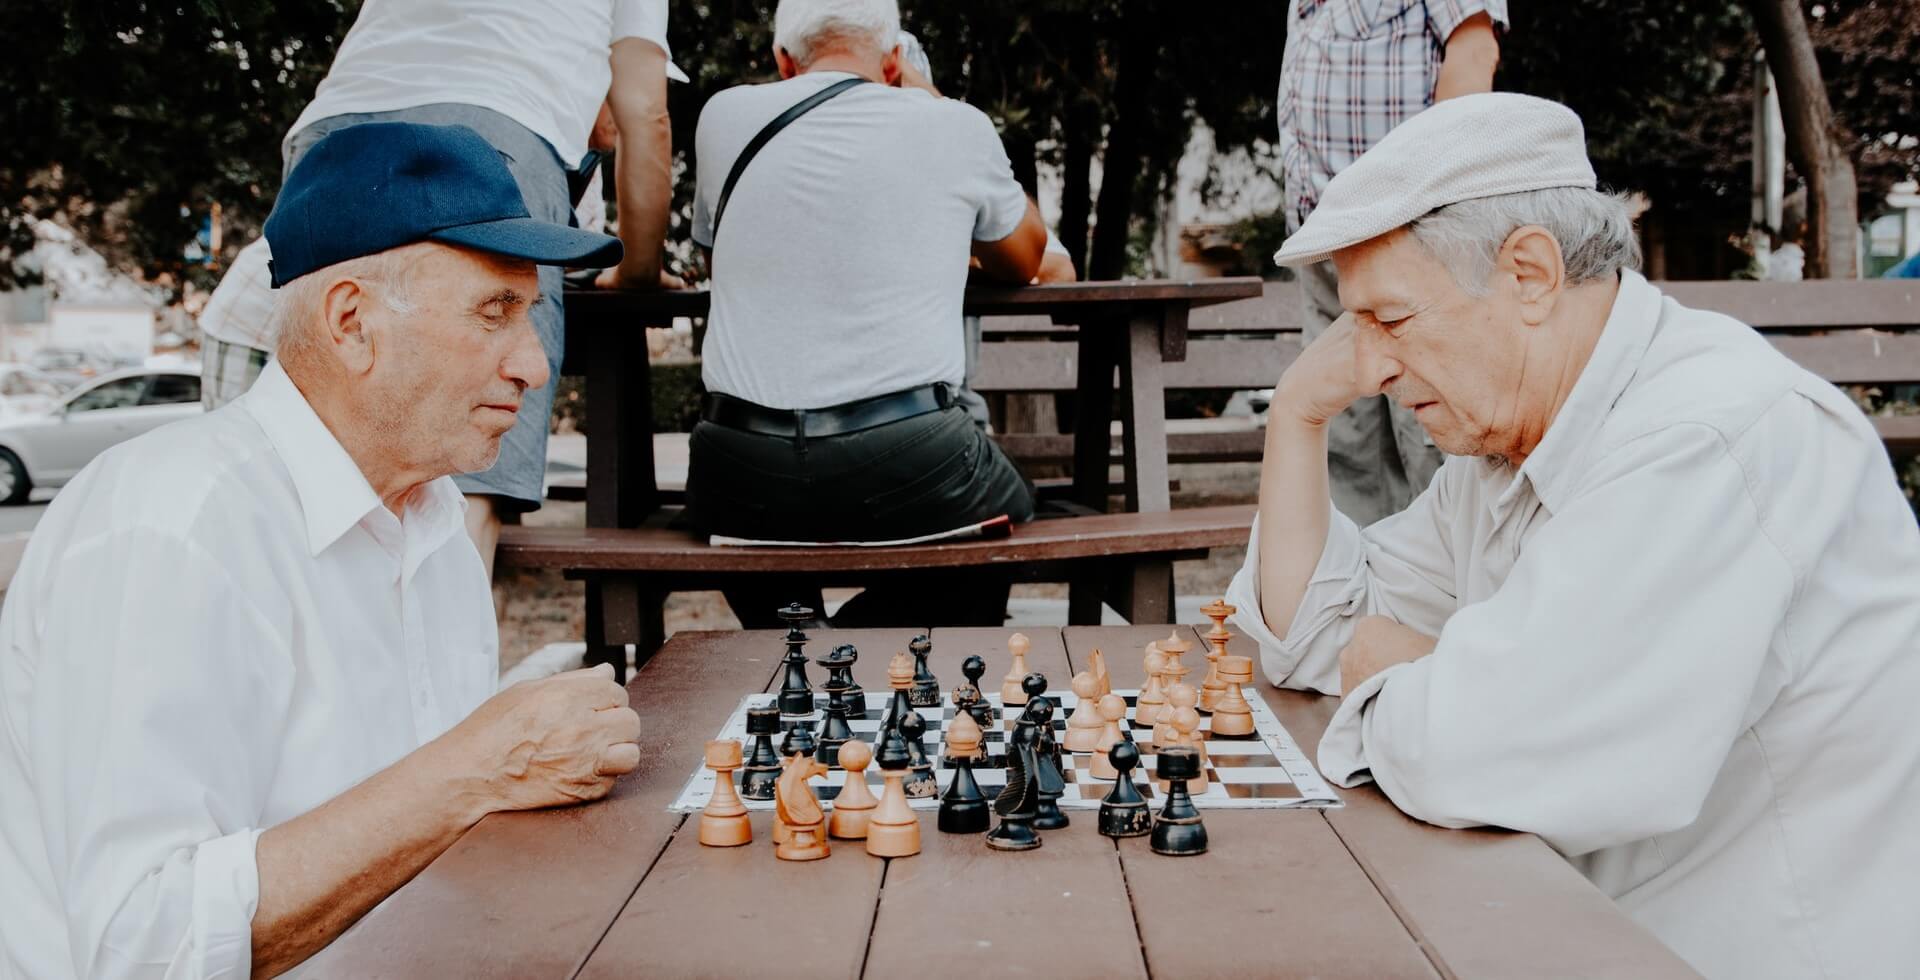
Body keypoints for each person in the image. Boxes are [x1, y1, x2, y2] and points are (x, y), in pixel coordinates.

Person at [1226, 93, 1920, 979]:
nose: (1373, 367)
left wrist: (1411, 671)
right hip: (1573, 922)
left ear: (1530, 275)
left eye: (1391, 320)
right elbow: (1310, 636)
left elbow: (1478, 756)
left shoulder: (1706, 439)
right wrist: (1296, 414)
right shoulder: (1510, 447)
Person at [0, 123, 643, 979]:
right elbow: (143, 945)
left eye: (531, 316)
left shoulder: (435, 520)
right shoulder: (172, 525)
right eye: (495, 311)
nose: (533, 363)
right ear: (352, 322)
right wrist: (477, 770)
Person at [279, 0, 685, 577]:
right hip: (493, 128)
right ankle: (449, 667)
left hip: (333, 131)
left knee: (320, 467)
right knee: (467, 472)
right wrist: (639, 270)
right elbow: (646, 111)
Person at [683, 0, 1049, 628]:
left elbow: (723, 261)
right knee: (1006, 511)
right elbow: (1027, 257)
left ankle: (794, 635)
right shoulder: (953, 126)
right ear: (895, 60)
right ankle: (857, 642)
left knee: (736, 508)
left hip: (738, 467)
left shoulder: (722, 116)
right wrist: (929, 98)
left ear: (781, 60)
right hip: (910, 454)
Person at [1276, 0, 1506, 526]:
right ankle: (1360, 594)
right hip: (1326, 239)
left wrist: (1434, 202)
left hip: (1410, 230)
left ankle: (1454, 594)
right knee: (1345, 432)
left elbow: (1472, 52)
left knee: (1432, 428)